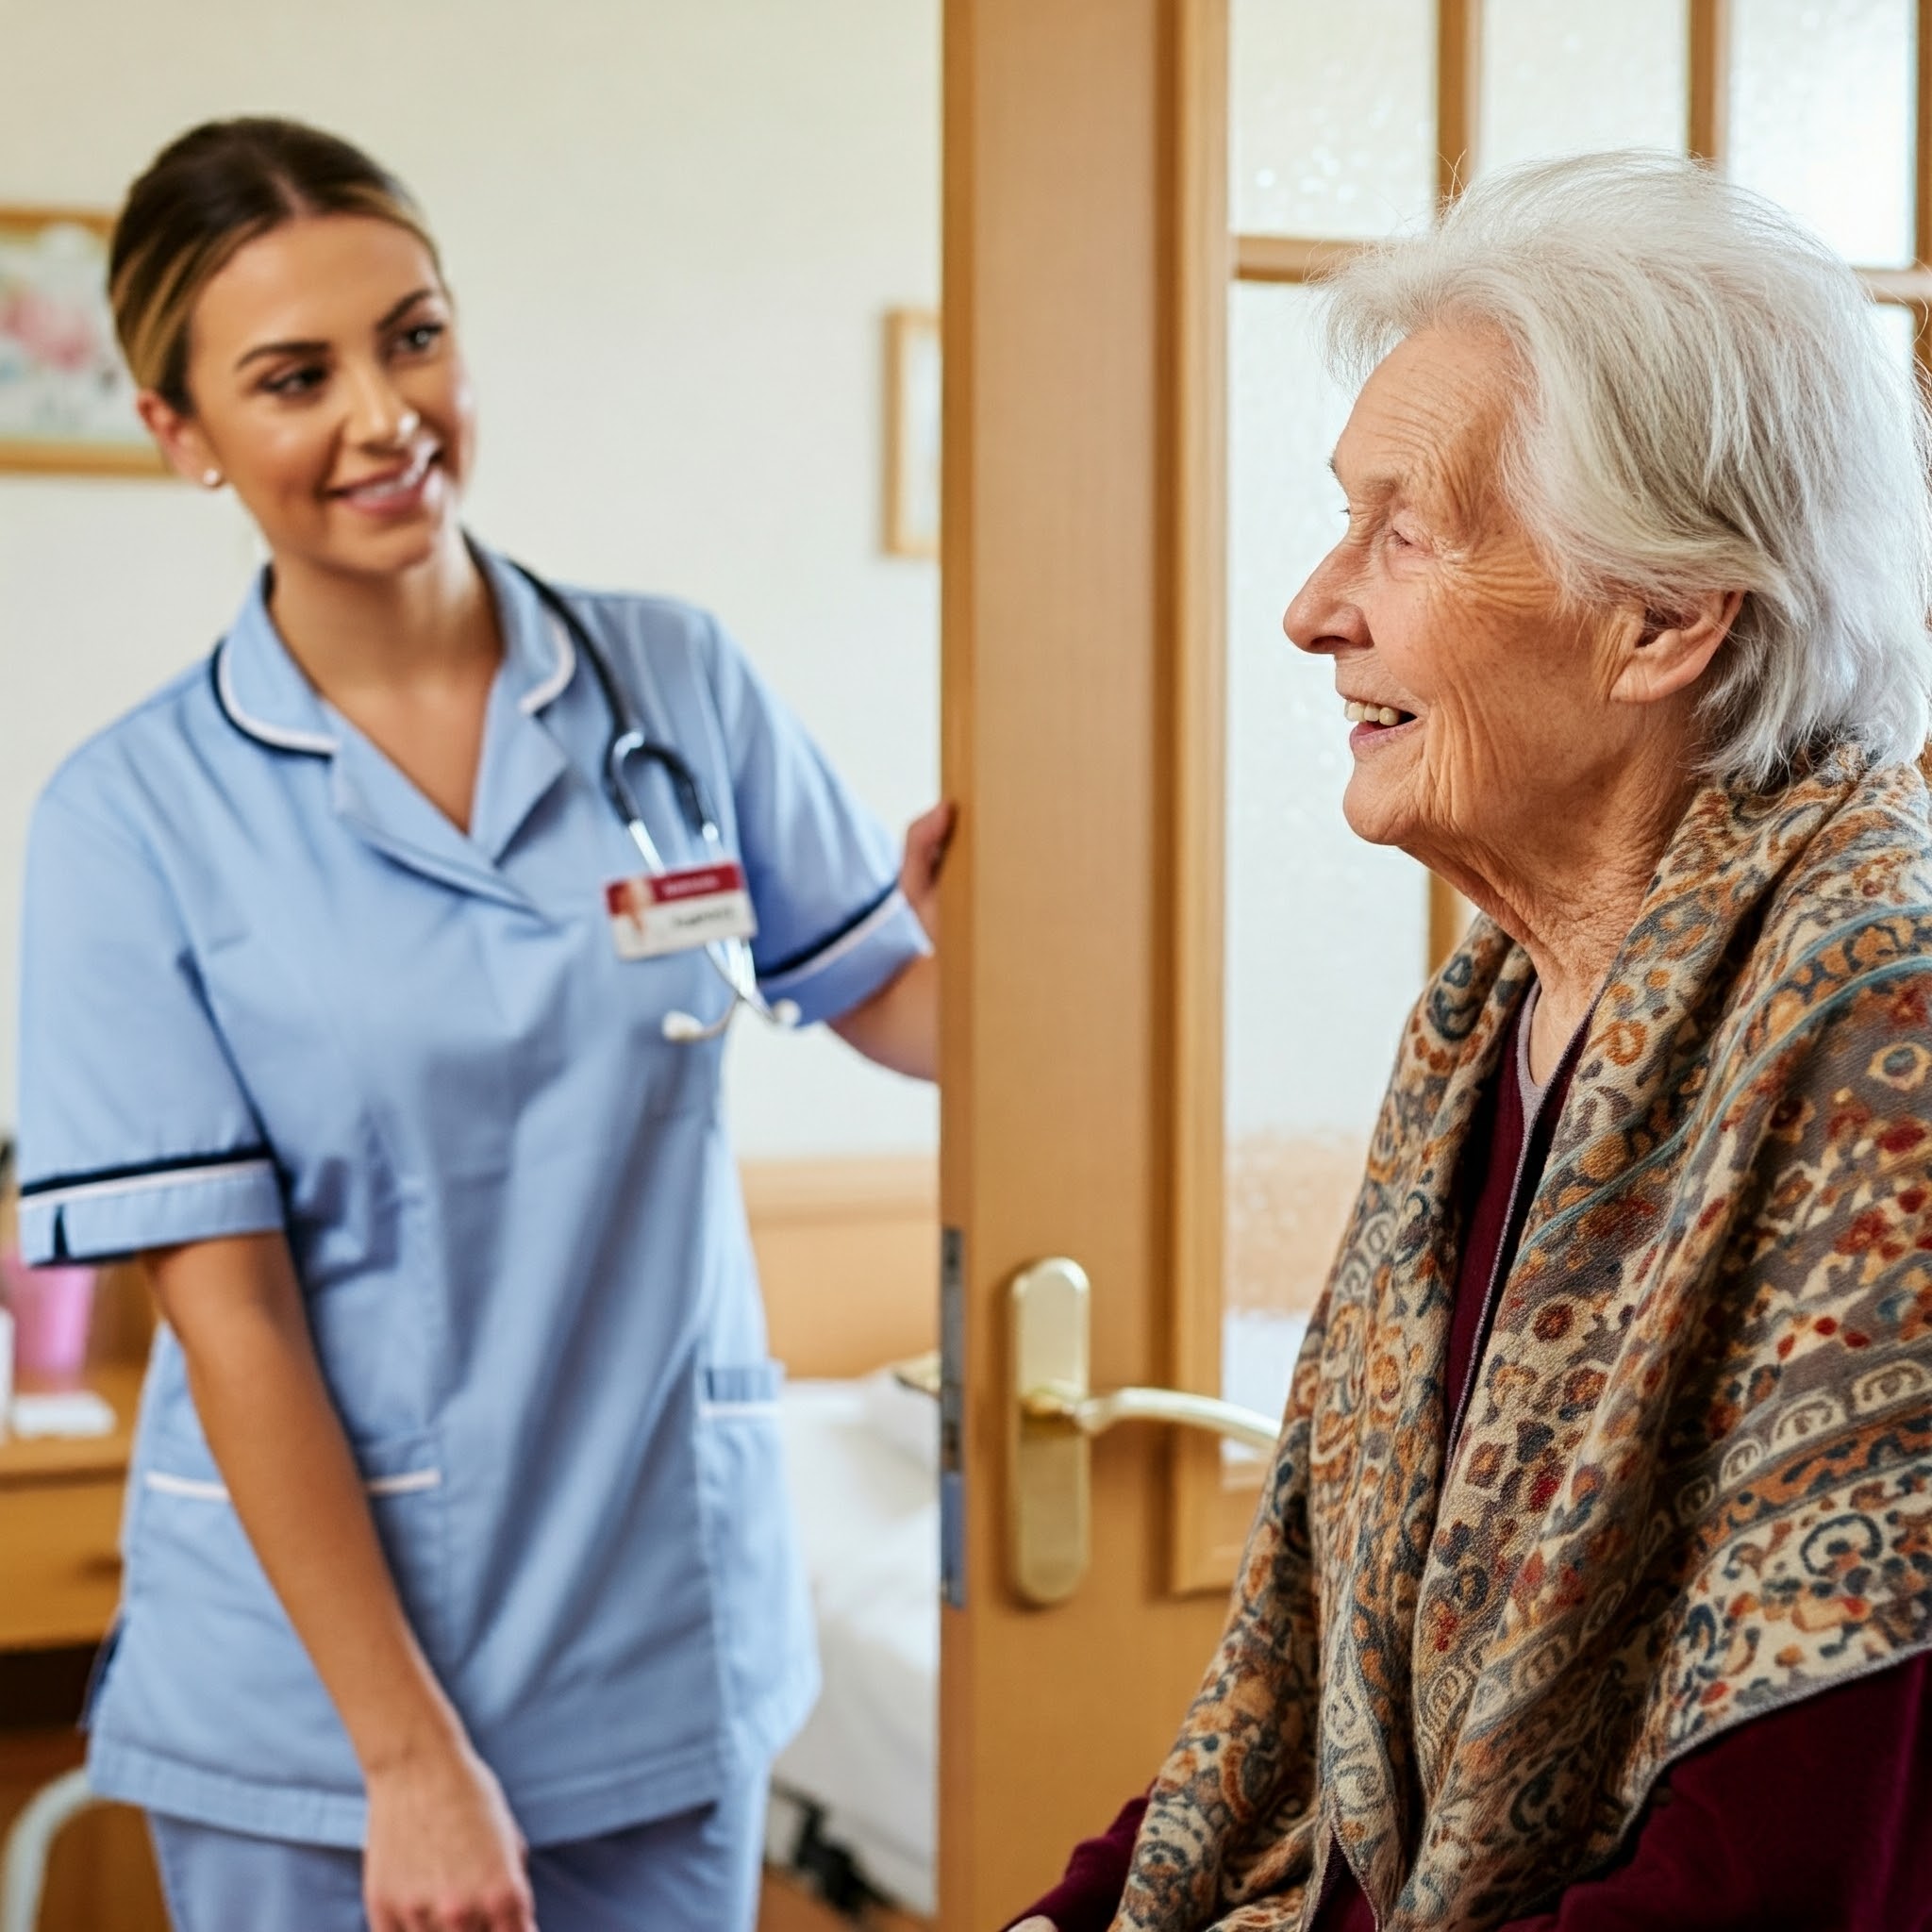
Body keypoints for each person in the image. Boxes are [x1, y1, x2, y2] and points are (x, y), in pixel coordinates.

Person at [14, 117, 948, 1932]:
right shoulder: (128, 821)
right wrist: (404, 1761)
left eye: (414, 335)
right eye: (295, 378)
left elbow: (899, 1011)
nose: (384, 414)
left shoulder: (673, 687)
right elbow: (232, 1320)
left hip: (658, 1649)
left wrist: (1045, 947)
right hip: (319, 1723)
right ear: (180, 438)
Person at [1015, 153, 1932, 1932]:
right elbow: (1313, 1710)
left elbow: (1795, 1865)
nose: (1312, 606)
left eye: (1404, 528)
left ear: (1667, 617)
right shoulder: (1492, 1020)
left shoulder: (1883, 1031)